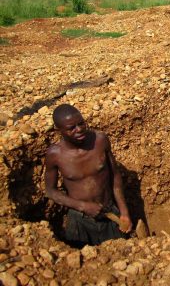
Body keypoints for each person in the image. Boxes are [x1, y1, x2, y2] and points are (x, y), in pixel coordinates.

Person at [45, 104, 132, 246]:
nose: (79, 130)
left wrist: (124, 211)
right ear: (59, 129)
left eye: (81, 123)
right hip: (80, 221)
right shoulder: (55, 155)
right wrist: (83, 206)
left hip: (109, 214)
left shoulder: (100, 141)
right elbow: (50, 191)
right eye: (71, 128)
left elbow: (115, 176)